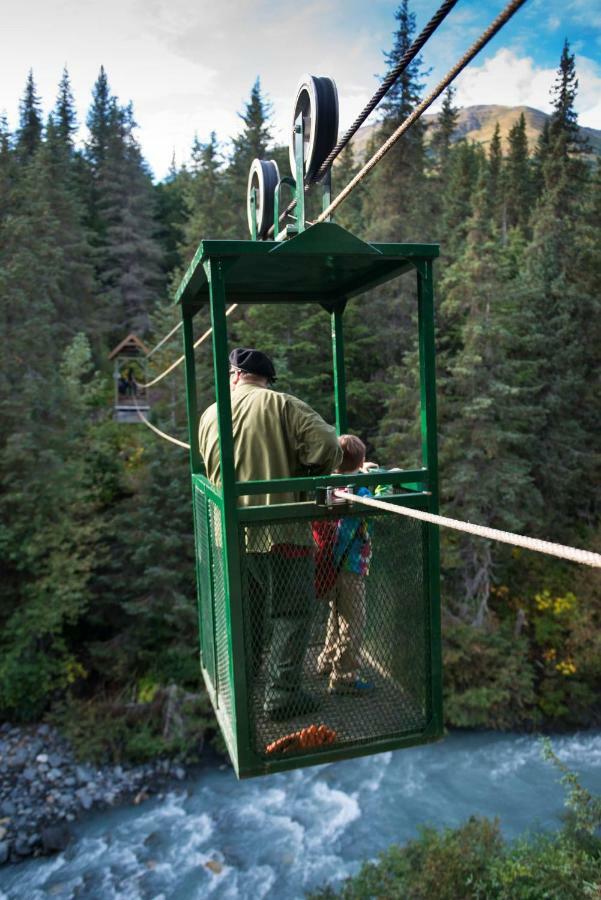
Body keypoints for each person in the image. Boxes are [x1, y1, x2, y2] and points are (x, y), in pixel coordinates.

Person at [198, 347, 342, 721]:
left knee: (246, 616)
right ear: (266, 379)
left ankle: (242, 686)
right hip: (282, 533)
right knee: (291, 615)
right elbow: (328, 445)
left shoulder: (210, 414)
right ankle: (281, 697)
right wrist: (311, 468)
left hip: (228, 538)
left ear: (234, 376)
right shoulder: (283, 405)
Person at [313, 434, 373, 695]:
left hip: (329, 564)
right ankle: (344, 676)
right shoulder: (360, 491)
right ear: (360, 462)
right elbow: (376, 501)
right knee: (354, 621)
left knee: (336, 616)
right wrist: (371, 476)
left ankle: (327, 661)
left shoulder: (329, 489)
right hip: (351, 567)